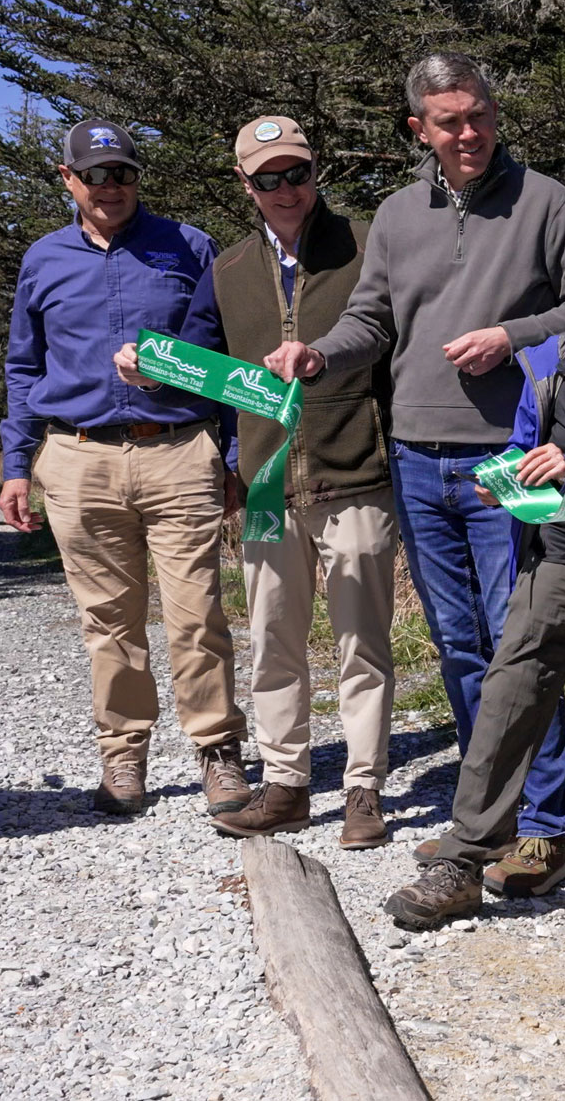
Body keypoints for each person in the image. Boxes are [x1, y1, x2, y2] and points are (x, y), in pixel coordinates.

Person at [262, 52, 565, 770]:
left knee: (514, 638)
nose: (468, 133)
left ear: (495, 114)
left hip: (509, 455)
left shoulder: (548, 202)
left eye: (480, 117)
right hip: (414, 458)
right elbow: (371, 320)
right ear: (419, 129)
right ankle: (484, 807)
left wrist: (512, 338)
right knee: (457, 643)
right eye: (449, 123)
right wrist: (318, 355)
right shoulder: (398, 215)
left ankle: (539, 822)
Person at [386, 228, 565, 922]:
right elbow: (522, 443)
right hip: (556, 553)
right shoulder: (547, 361)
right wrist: (504, 480)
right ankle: (465, 856)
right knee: (510, 690)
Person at [2, 118, 252, 819]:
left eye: (124, 174)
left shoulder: (189, 247)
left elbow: (224, 362)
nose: (111, 187)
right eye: (96, 175)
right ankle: (124, 753)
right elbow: (24, 366)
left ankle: (218, 751)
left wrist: (232, 456)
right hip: (78, 457)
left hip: (178, 452)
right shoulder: (43, 259)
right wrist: (17, 463)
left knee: (197, 613)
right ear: (68, 180)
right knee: (108, 621)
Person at [175, 116, 399, 850]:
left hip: (355, 473)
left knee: (363, 640)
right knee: (273, 639)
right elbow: (202, 373)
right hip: (267, 488)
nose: (286, 190)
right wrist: (148, 370)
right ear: (245, 185)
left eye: (296, 173)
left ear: (315, 172)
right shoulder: (227, 271)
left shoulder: (367, 246)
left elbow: (397, 348)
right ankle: (287, 785)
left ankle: (364, 788)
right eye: (268, 178)